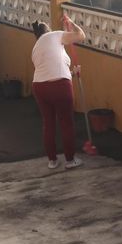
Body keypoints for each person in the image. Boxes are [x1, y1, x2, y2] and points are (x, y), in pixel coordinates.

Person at [31, 15, 86, 169]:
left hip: (40, 87)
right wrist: (72, 23)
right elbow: (81, 35)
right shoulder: (54, 35)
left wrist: (72, 73)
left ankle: (52, 161)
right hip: (60, 86)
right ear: (48, 30)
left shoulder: (36, 48)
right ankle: (70, 160)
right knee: (66, 123)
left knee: (48, 124)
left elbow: (50, 71)